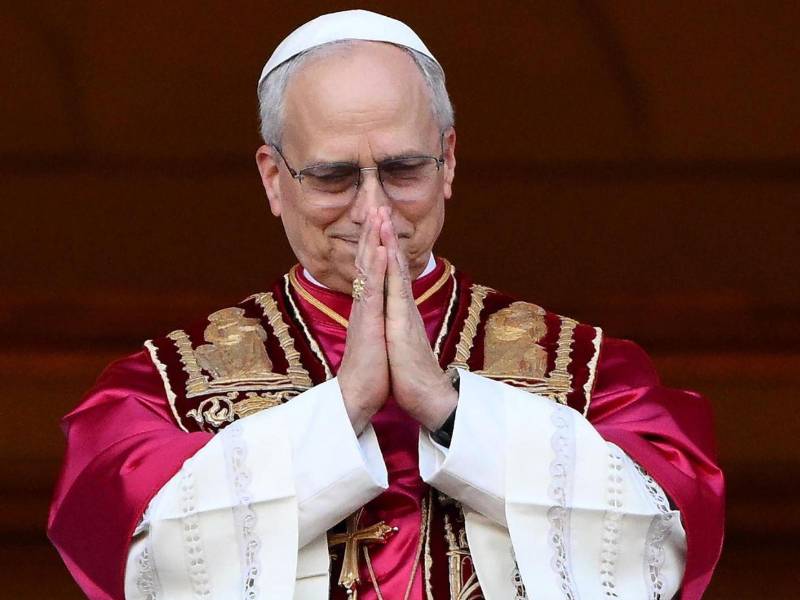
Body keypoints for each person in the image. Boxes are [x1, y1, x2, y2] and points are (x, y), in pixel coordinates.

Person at [48, 9, 724, 600]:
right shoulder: (162, 388)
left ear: (448, 161)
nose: (373, 209)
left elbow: (663, 545)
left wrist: (451, 412)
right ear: (274, 179)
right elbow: (139, 562)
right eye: (333, 177)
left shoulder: (588, 373)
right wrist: (342, 411)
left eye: (402, 170)